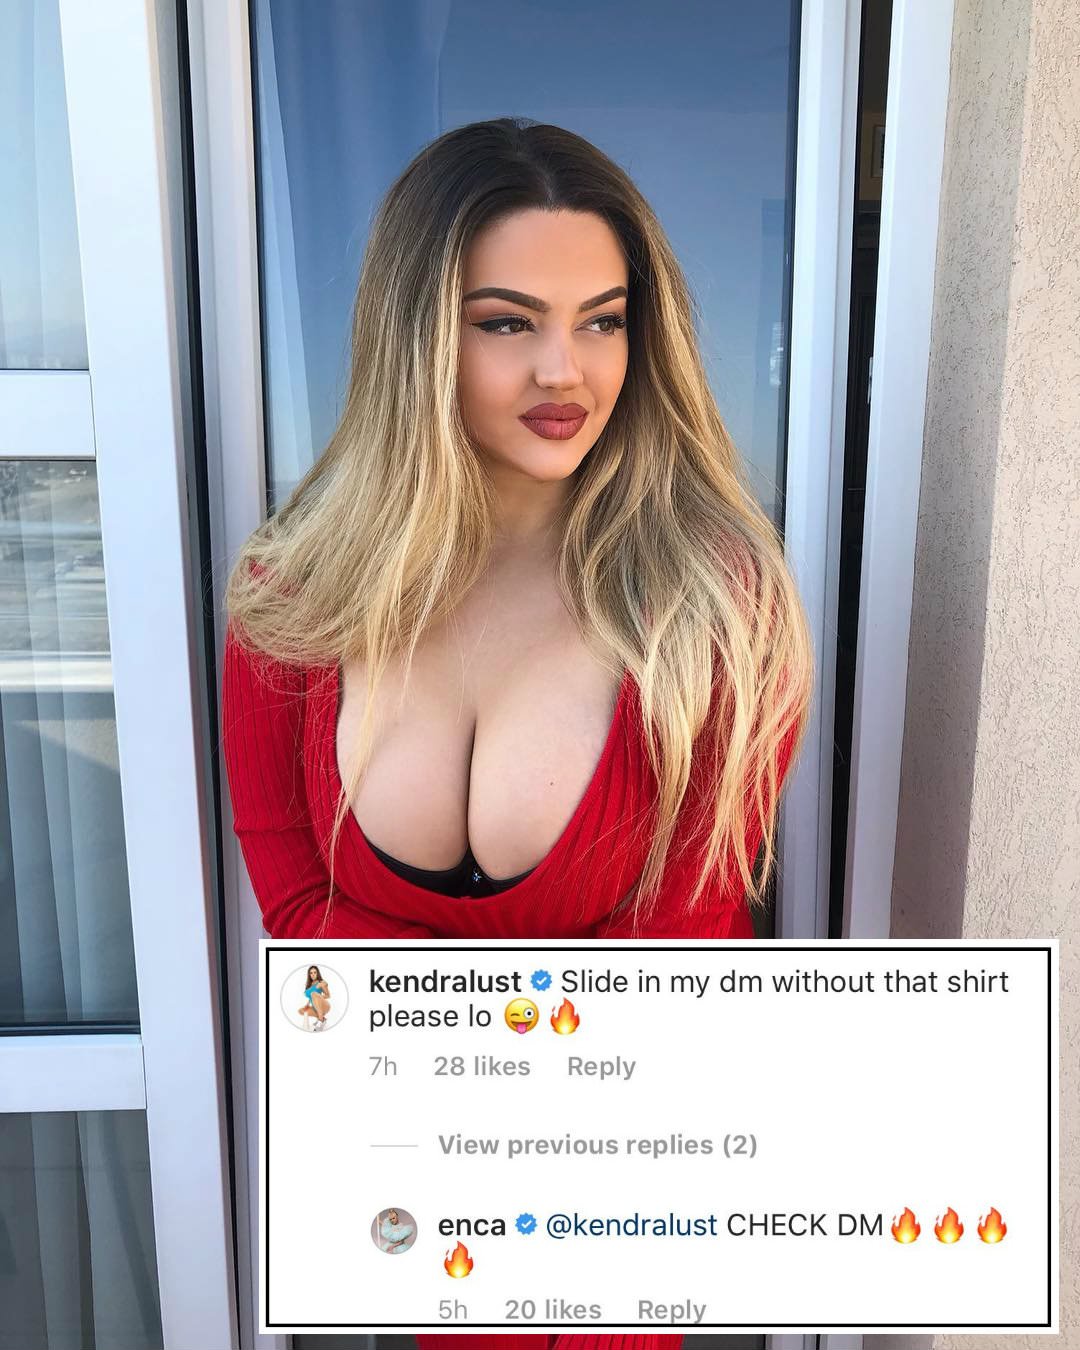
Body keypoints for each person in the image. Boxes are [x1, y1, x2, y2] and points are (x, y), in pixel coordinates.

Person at [221, 117, 814, 1350]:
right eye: (507, 323)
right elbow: (295, 913)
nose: (566, 371)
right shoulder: (293, 600)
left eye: (603, 321)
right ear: (417, 339)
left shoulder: (712, 608)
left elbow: (682, 962)